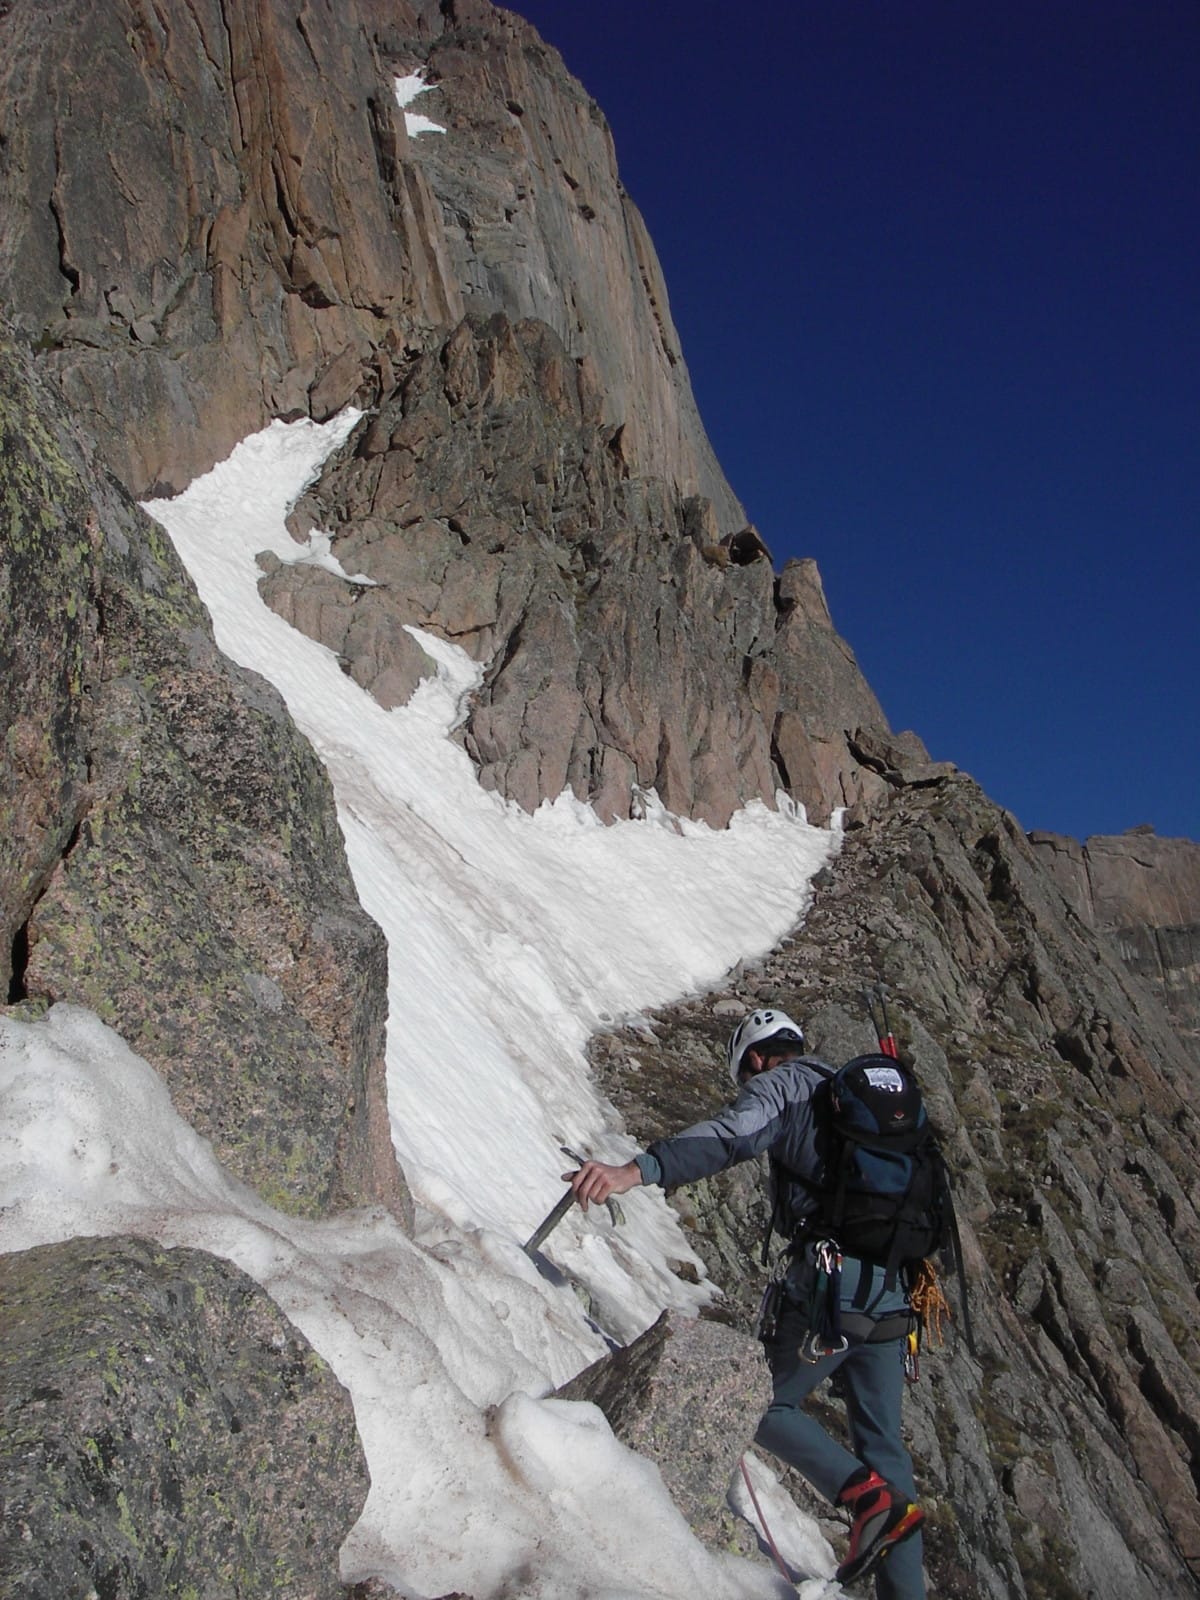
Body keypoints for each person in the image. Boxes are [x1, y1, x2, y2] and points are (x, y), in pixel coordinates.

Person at [564, 1007, 927, 1599]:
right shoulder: (854, 1093)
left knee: (756, 1404)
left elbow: (732, 1136)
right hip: (894, 1288)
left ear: (755, 1058)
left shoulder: (784, 1084)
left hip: (835, 1285)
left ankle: (865, 1500)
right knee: (884, 1446)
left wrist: (638, 1169)